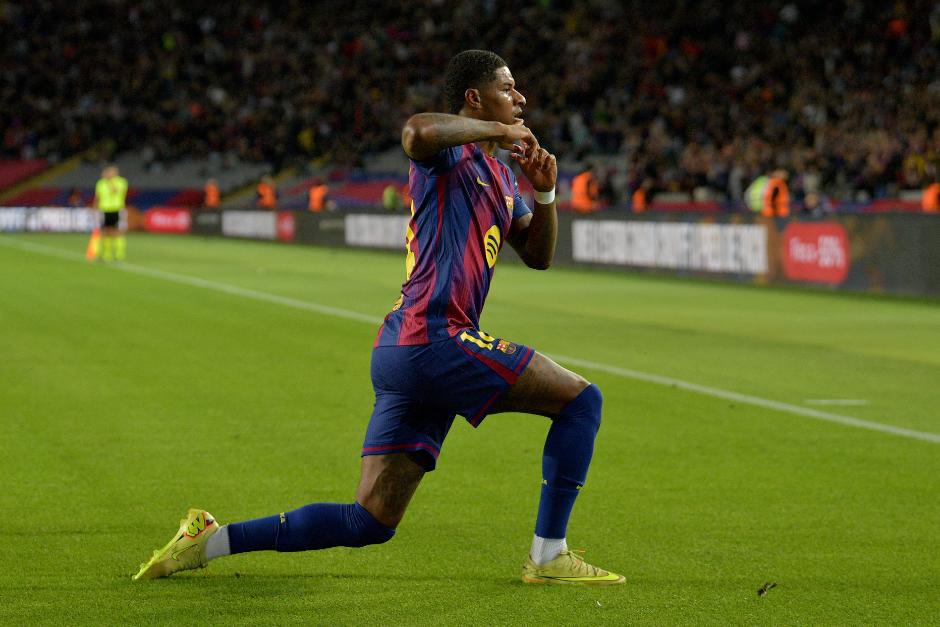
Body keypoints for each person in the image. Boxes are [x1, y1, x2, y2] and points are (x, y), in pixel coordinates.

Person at [133, 49, 624, 587]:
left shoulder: (502, 179)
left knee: (369, 520)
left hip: (403, 350)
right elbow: (415, 132)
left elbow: (539, 254)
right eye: (509, 88)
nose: (521, 98)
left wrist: (546, 192)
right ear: (475, 98)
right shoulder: (448, 158)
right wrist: (492, 129)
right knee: (582, 401)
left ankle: (209, 539)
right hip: (438, 337)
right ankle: (550, 554)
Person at [92, 165, 128, 261]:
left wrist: (110, 182)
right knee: (105, 232)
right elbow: (97, 197)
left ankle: (119, 255)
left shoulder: (121, 182)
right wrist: (94, 208)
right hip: (104, 210)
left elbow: (115, 191)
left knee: (117, 232)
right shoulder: (100, 183)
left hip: (116, 209)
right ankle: (106, 255)